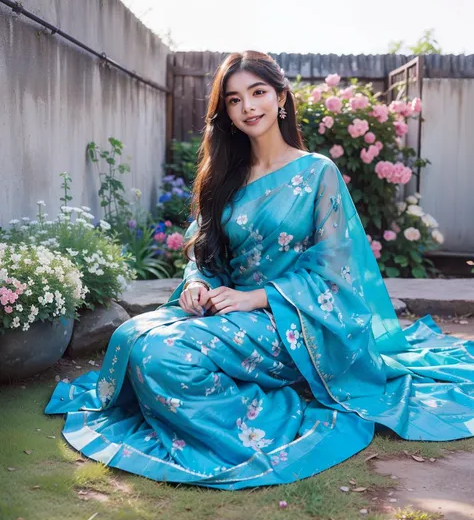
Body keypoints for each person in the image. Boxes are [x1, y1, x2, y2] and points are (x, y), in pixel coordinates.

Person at [46, 50, 474, 490]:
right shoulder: (225, 175)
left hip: (293, 322)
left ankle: (273, 412)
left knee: (163, 355)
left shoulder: (315, 173)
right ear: (226, 113)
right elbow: (205, 254)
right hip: (226, 313)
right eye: (234, 100)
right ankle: (240, 395)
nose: (248, 107)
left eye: (257, 93)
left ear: (281, 97)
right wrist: (196, 283)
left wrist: (256, 298)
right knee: (129, 337)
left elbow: (334, 270)